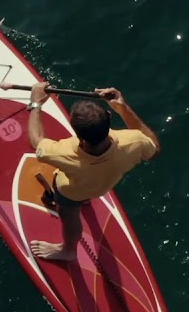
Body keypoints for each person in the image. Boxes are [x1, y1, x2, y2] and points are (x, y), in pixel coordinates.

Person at [24, 81, 160, 260]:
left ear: (75, 131)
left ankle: (68, 251)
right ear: (109, 116)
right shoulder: (134, 142)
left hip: (71, 192)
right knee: (92, 183)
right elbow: (154, 148)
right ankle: (87, 200)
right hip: (103, 185)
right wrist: (123, 107)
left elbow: (36, 141)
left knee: (69, 215)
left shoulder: (61, 152)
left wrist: (36, 104)